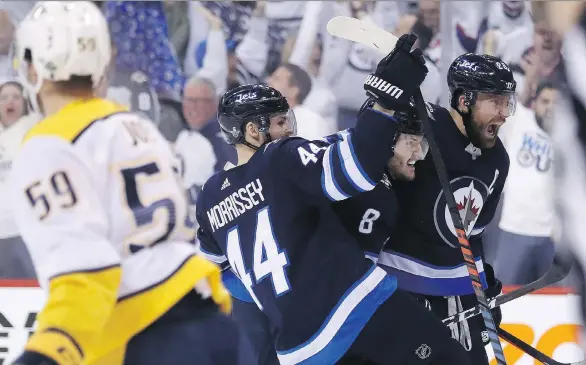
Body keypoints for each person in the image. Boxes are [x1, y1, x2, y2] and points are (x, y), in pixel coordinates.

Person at [196, 34, 472, 365]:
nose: (289, 130)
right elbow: (358, 167)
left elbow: (226, 276)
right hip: (356, 310)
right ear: (254, 130)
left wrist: (280, 296)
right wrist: (385, 98)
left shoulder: (211, 198)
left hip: (298, 351)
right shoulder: (278, 157)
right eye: (281, 122)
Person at [8, 2, 254, 365]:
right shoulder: (137, 126)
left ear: (33, 67)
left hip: (149, 338)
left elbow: (86, 273)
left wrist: (44, 355)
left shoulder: (50, 143)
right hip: (217, 327)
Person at [214, 104, 430, 365]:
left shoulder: (248, 182)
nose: (419, 153)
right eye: (412, 143)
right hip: (289, 306)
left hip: (258, 294)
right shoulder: (374, 194)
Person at [377, 53, 515, 364]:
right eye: (495, 102)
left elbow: (471, 235)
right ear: (465, 100)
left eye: (507, 103)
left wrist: (483, 287)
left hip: (458, 293)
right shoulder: (420, 128)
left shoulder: (498, 161)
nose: (504, 113)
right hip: (400, 286)